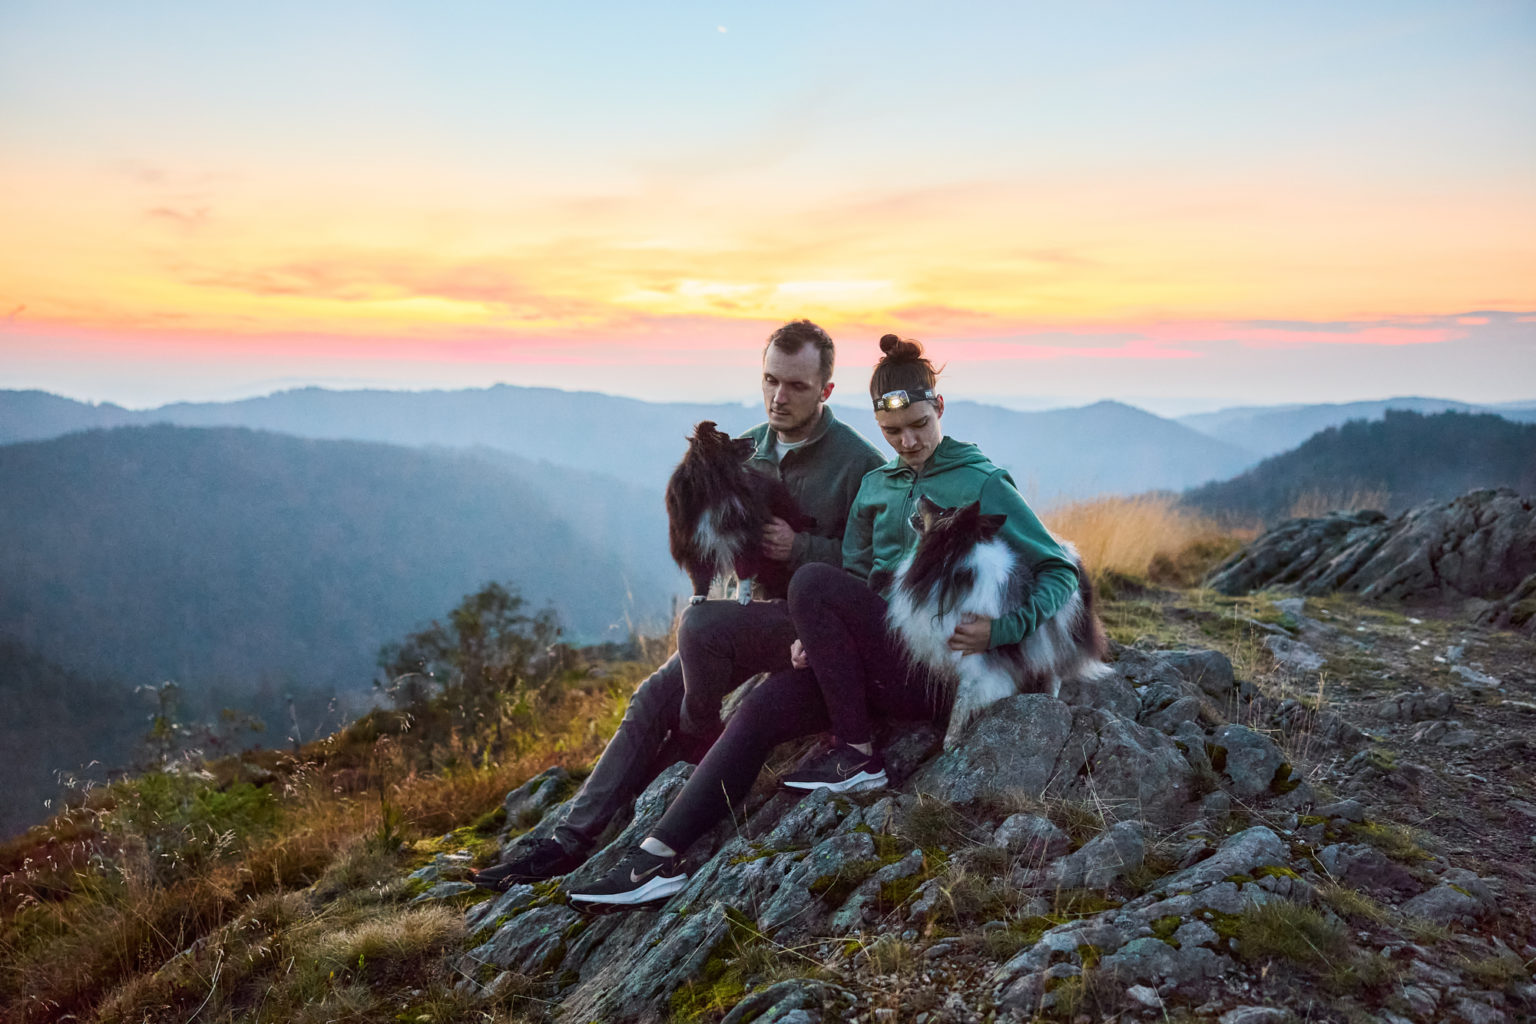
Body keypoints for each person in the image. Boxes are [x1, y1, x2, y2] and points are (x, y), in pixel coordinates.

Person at [569, 333, 1082, 905]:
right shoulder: (875, 486)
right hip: (878, 663)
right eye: (892, 432)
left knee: (811, 581)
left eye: (919, 425)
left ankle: (858, 755)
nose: (908, 442)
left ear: (939, 408)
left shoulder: (981, 481)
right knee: (763, 708)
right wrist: (817, 636)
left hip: (941, 671)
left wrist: (1000, 631)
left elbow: (1059, 572)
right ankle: (656, 860)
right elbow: (860, 581)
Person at [473, 320, 883, 890]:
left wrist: (803, 548)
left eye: (796, 386)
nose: (778, 397)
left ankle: (695, 742)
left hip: (808, 628)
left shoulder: (858, 464)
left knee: (701, 631)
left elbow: (876, 573)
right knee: (651, 694)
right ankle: (567, 841)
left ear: (826, 391)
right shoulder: (738, 451)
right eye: (770, 382)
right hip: (751, 616)